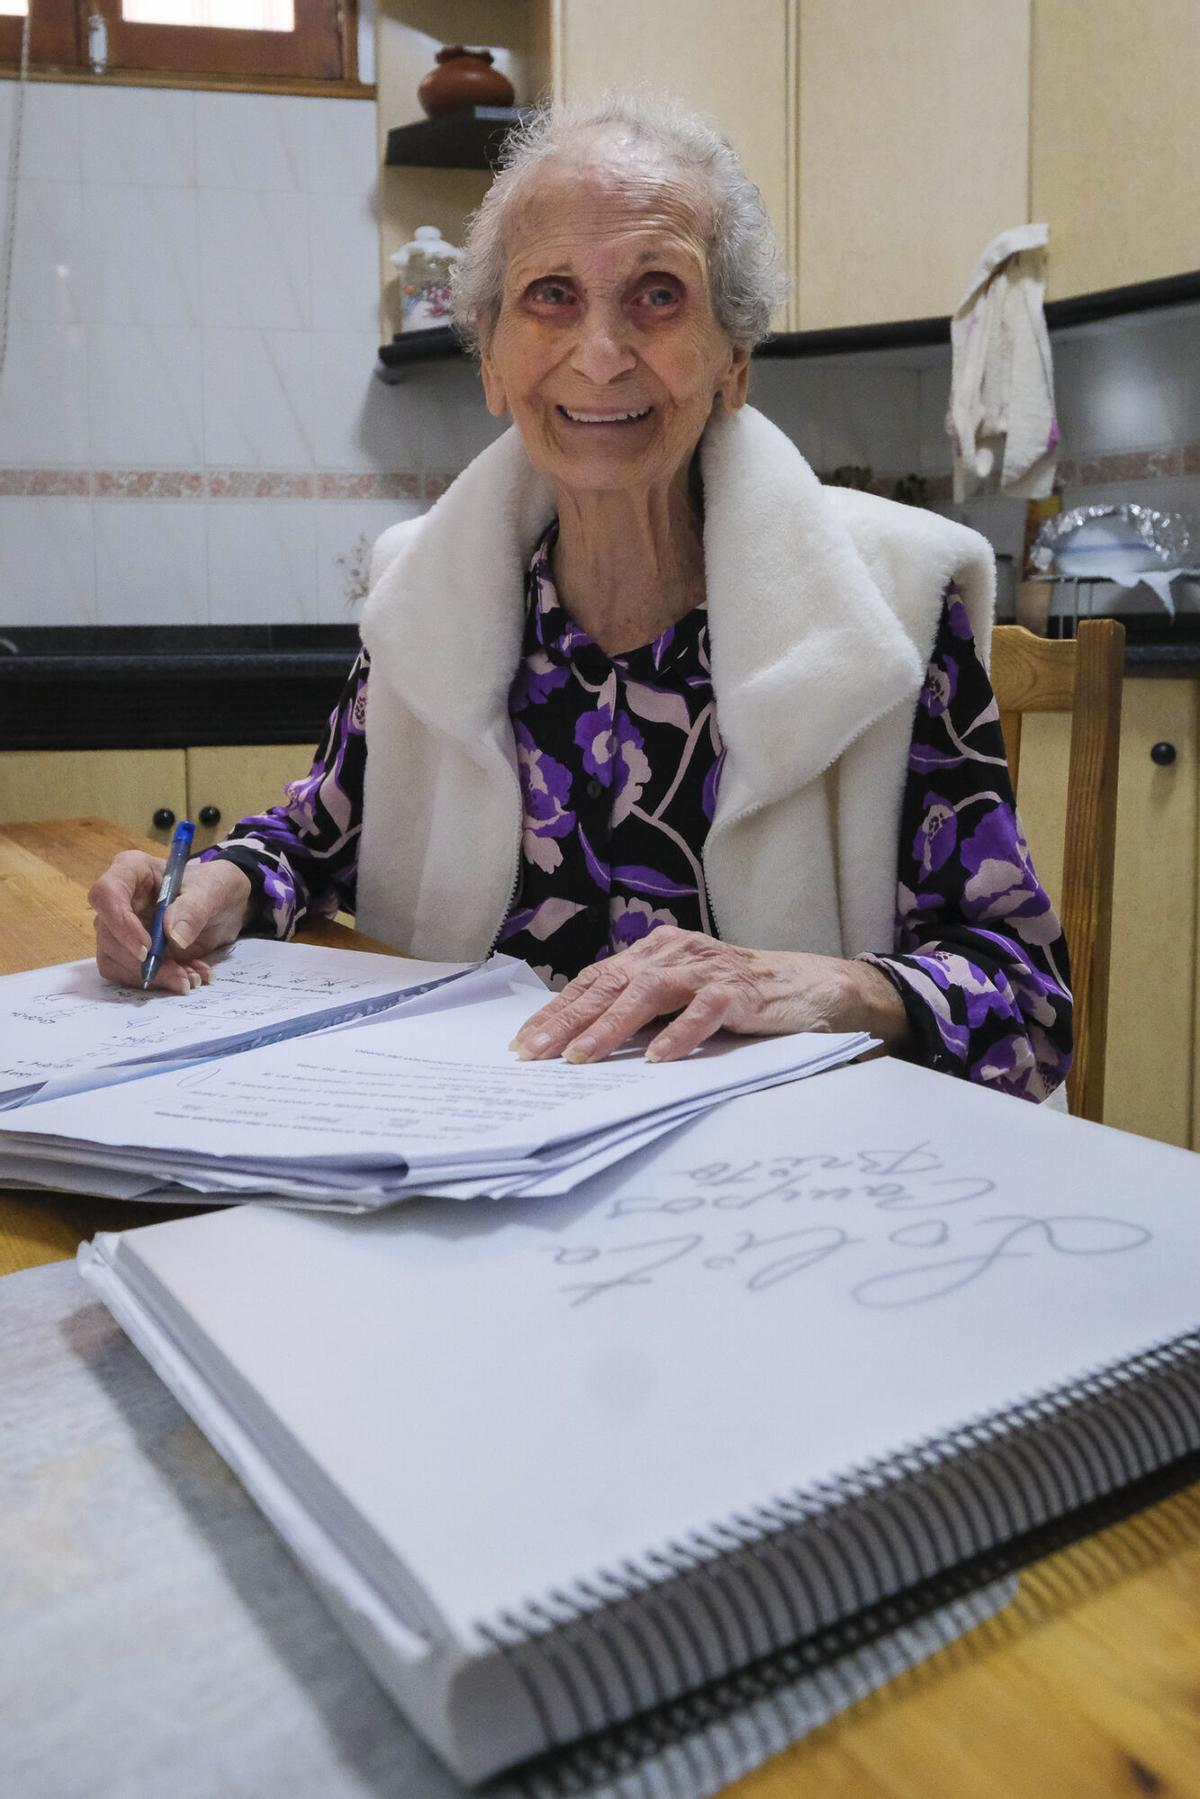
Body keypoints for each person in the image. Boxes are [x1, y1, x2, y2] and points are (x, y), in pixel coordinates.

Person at [88, 94, 1071, 1100]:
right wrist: (220, 879)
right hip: (463, 1152)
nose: (600, 351)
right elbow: (320, 833)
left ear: (734, 361)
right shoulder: (432, 587)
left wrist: (813, 985)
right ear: (491, 360)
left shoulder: (891, 604)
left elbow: (1026, 1001)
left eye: (657, 294)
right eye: (551, 294)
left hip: (771, 1184)